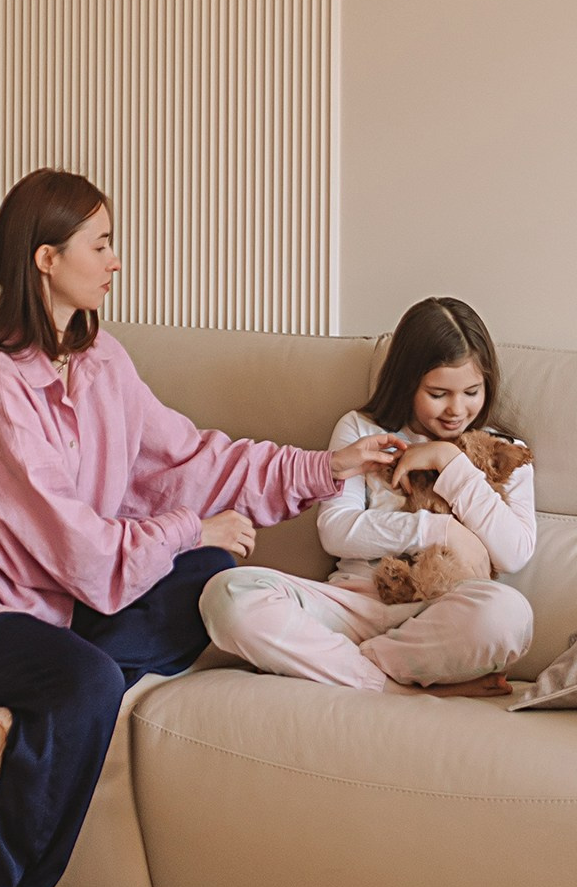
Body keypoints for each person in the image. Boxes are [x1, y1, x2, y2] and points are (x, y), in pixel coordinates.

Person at [0, 169, 397, 887]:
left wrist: (325, 466)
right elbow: (73, 543)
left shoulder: (102, 360)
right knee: (88, 680)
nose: (115, 261)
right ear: (46, 259)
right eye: (99, 245)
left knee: (205, 577)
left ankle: (9, 716)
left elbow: (190, 459)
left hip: (47, 603)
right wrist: (185, 526)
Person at [200, 296, 536, 698]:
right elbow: (337, 531)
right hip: (353, 606)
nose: (456, 409)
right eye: (438, 394)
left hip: (440, 616)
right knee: (227, 595)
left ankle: (342, 667)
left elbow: (514, 553)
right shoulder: (361, 430)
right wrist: (437, 529)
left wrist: (449, 462)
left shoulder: (506, 453)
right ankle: (393, 687)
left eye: (471, 392)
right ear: (408, 382)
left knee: (509, 615)